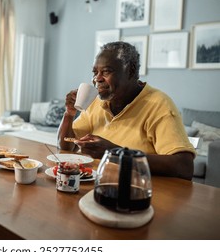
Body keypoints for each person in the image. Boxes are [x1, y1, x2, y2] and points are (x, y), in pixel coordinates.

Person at [58, 41, 195, 180]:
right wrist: (69, 114)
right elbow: (66, 147)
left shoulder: (159, 104)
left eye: (106, 71)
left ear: (130, 70)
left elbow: (184, 167)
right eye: (95, 72)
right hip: (98, 183)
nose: (97, 79)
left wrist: (115, 153)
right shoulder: (96, 101)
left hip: (138, 190)